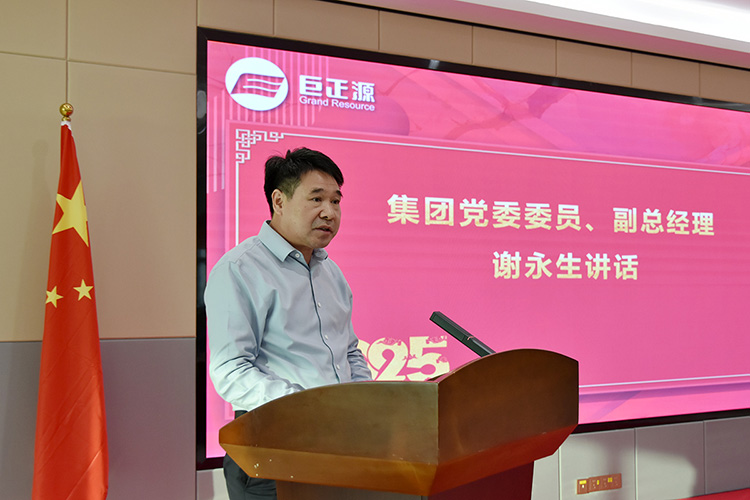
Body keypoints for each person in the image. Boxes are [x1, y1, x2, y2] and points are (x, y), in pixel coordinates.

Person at [204, 147, 373, 499]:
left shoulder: (331, 272)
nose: (329, 212)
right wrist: (304, 407)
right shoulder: (240, 269)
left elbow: (349, 351)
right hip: (273, 454)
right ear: (279, 201)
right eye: (316, 199)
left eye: (336, 201)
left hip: (341, 450)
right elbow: (230, 369)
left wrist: (363, 404)